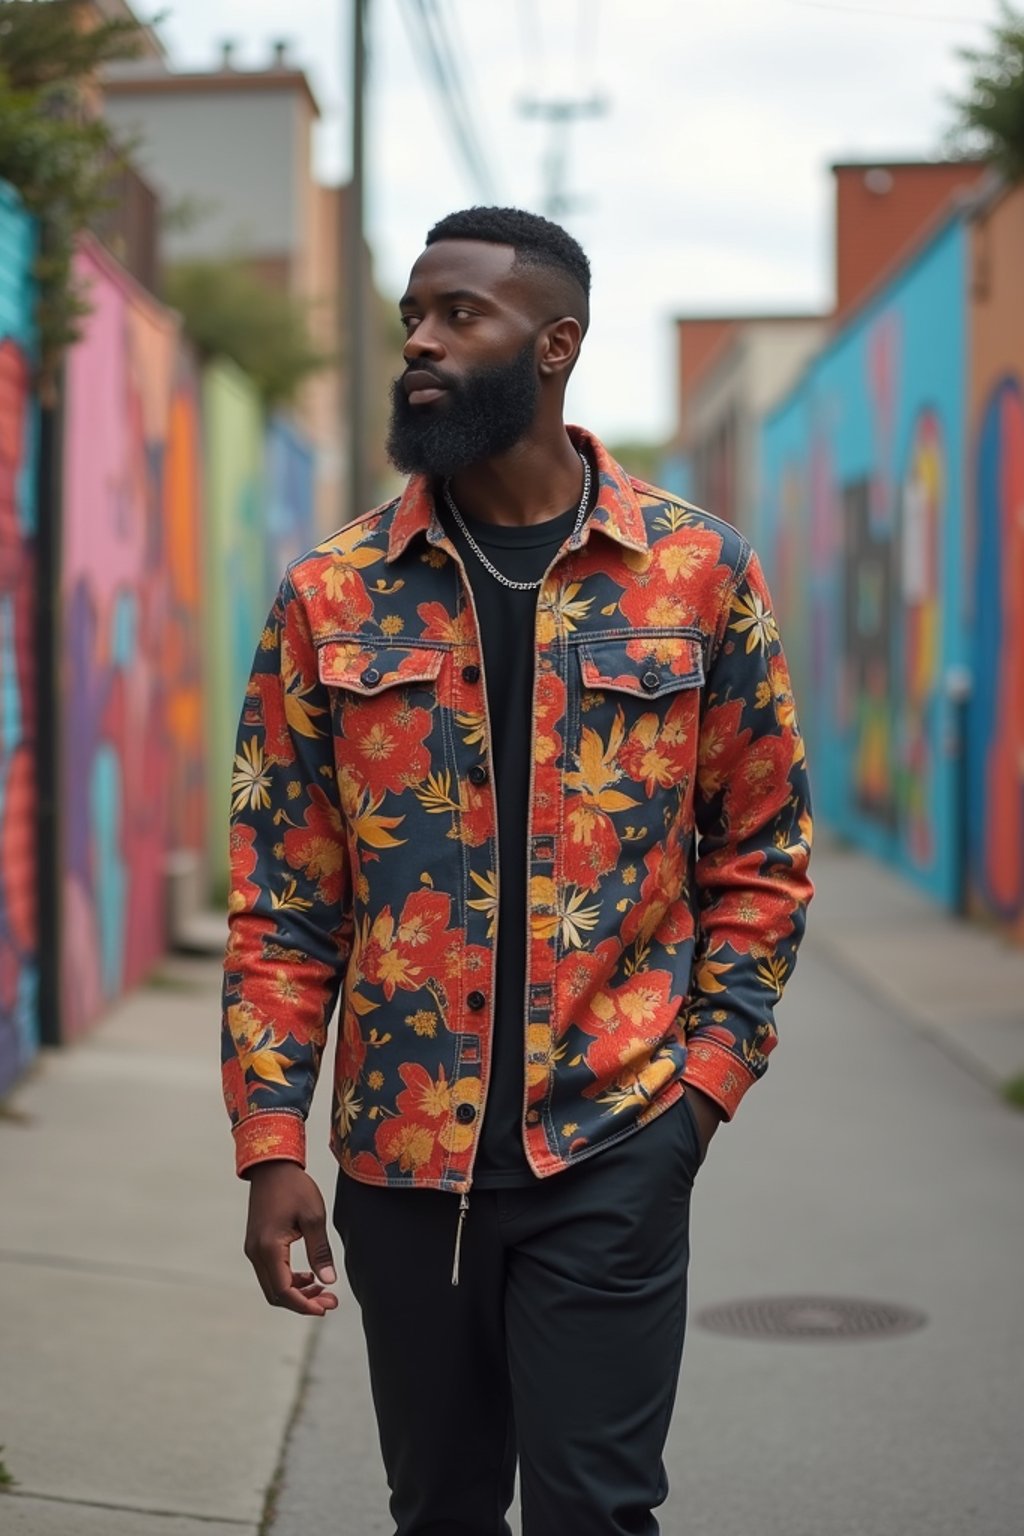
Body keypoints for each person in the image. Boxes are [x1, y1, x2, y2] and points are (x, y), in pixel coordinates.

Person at [222, 206, 813, 1536]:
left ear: (556, 345)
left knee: (595, 1511)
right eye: (414, 318)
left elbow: (763, 859)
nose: (420, 343)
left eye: (458, 317)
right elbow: (283, 895)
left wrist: (699, 1098)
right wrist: (271, 1146)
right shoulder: (332, 595)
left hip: (614, 1141)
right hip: (397, 1163)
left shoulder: (699, 575)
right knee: (435, 1510)